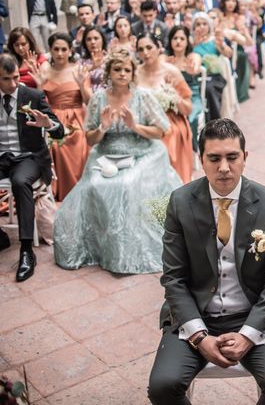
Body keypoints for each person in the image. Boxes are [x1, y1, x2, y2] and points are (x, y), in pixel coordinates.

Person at [148, 118, 265, 405]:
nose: (224, 167)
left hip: (253, 313)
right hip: (196, 314)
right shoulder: (180, 202)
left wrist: (249, 335)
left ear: (245, 158)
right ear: (201, 160)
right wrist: (199, 336)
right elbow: (173, 278)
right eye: (214, 158)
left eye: (232, 157)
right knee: (163, 387)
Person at [53, 48, 181, 273]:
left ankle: (128, 250)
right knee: (94, 185)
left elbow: (161, 131)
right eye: (117, 69)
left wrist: (134, 126)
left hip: (143, 152)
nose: (122, 73)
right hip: (106, 153)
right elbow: (91, 139)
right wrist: (103, 126)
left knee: (126, 184)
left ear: (133, 73)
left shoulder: (143, 96)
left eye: (127, 70)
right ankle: (103, 248)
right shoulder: (98, 99)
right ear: (109, 73)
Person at [0, 53, 64, 281]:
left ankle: (26, 250)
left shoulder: (33, 95)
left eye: (16, 77)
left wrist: (50, 124)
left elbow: (60, 130)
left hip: (29, 157)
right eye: (6, 79)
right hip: (1, 157)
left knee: (20, 182)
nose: (13, 83)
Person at [29, 32, 90, 201]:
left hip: (76, 118)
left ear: (70, 50)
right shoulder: (44, 69)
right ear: (51, 50)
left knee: (78, 142)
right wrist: (39, 85)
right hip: (52, 118)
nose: (60, 53)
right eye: (56, 49)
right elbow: (39, 101)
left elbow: (89, 100)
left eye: (64, 49)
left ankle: (79, 190)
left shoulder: (78, 69)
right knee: (55, 146)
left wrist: (81, 85)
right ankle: (59, 192)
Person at [136, 33, 193, 183]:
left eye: (149, 47)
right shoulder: (134, 73)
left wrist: (172, 94)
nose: (146, 53)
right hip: (143, 122)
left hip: (170, 123)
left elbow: (188, 109)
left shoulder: (171, 72)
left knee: (167, 141)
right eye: (141, 49)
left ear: (158, 48)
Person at [165, 25, 203, 151]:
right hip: (168, 96)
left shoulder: (193, 57)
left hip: (191, 96)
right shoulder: (165, 58)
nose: (178, 41)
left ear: (187, 41)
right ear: (170, 41)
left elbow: (196, 67)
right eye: (175, 38)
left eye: (182, 38)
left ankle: (188, 150)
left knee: (189, 117)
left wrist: (192, 71)